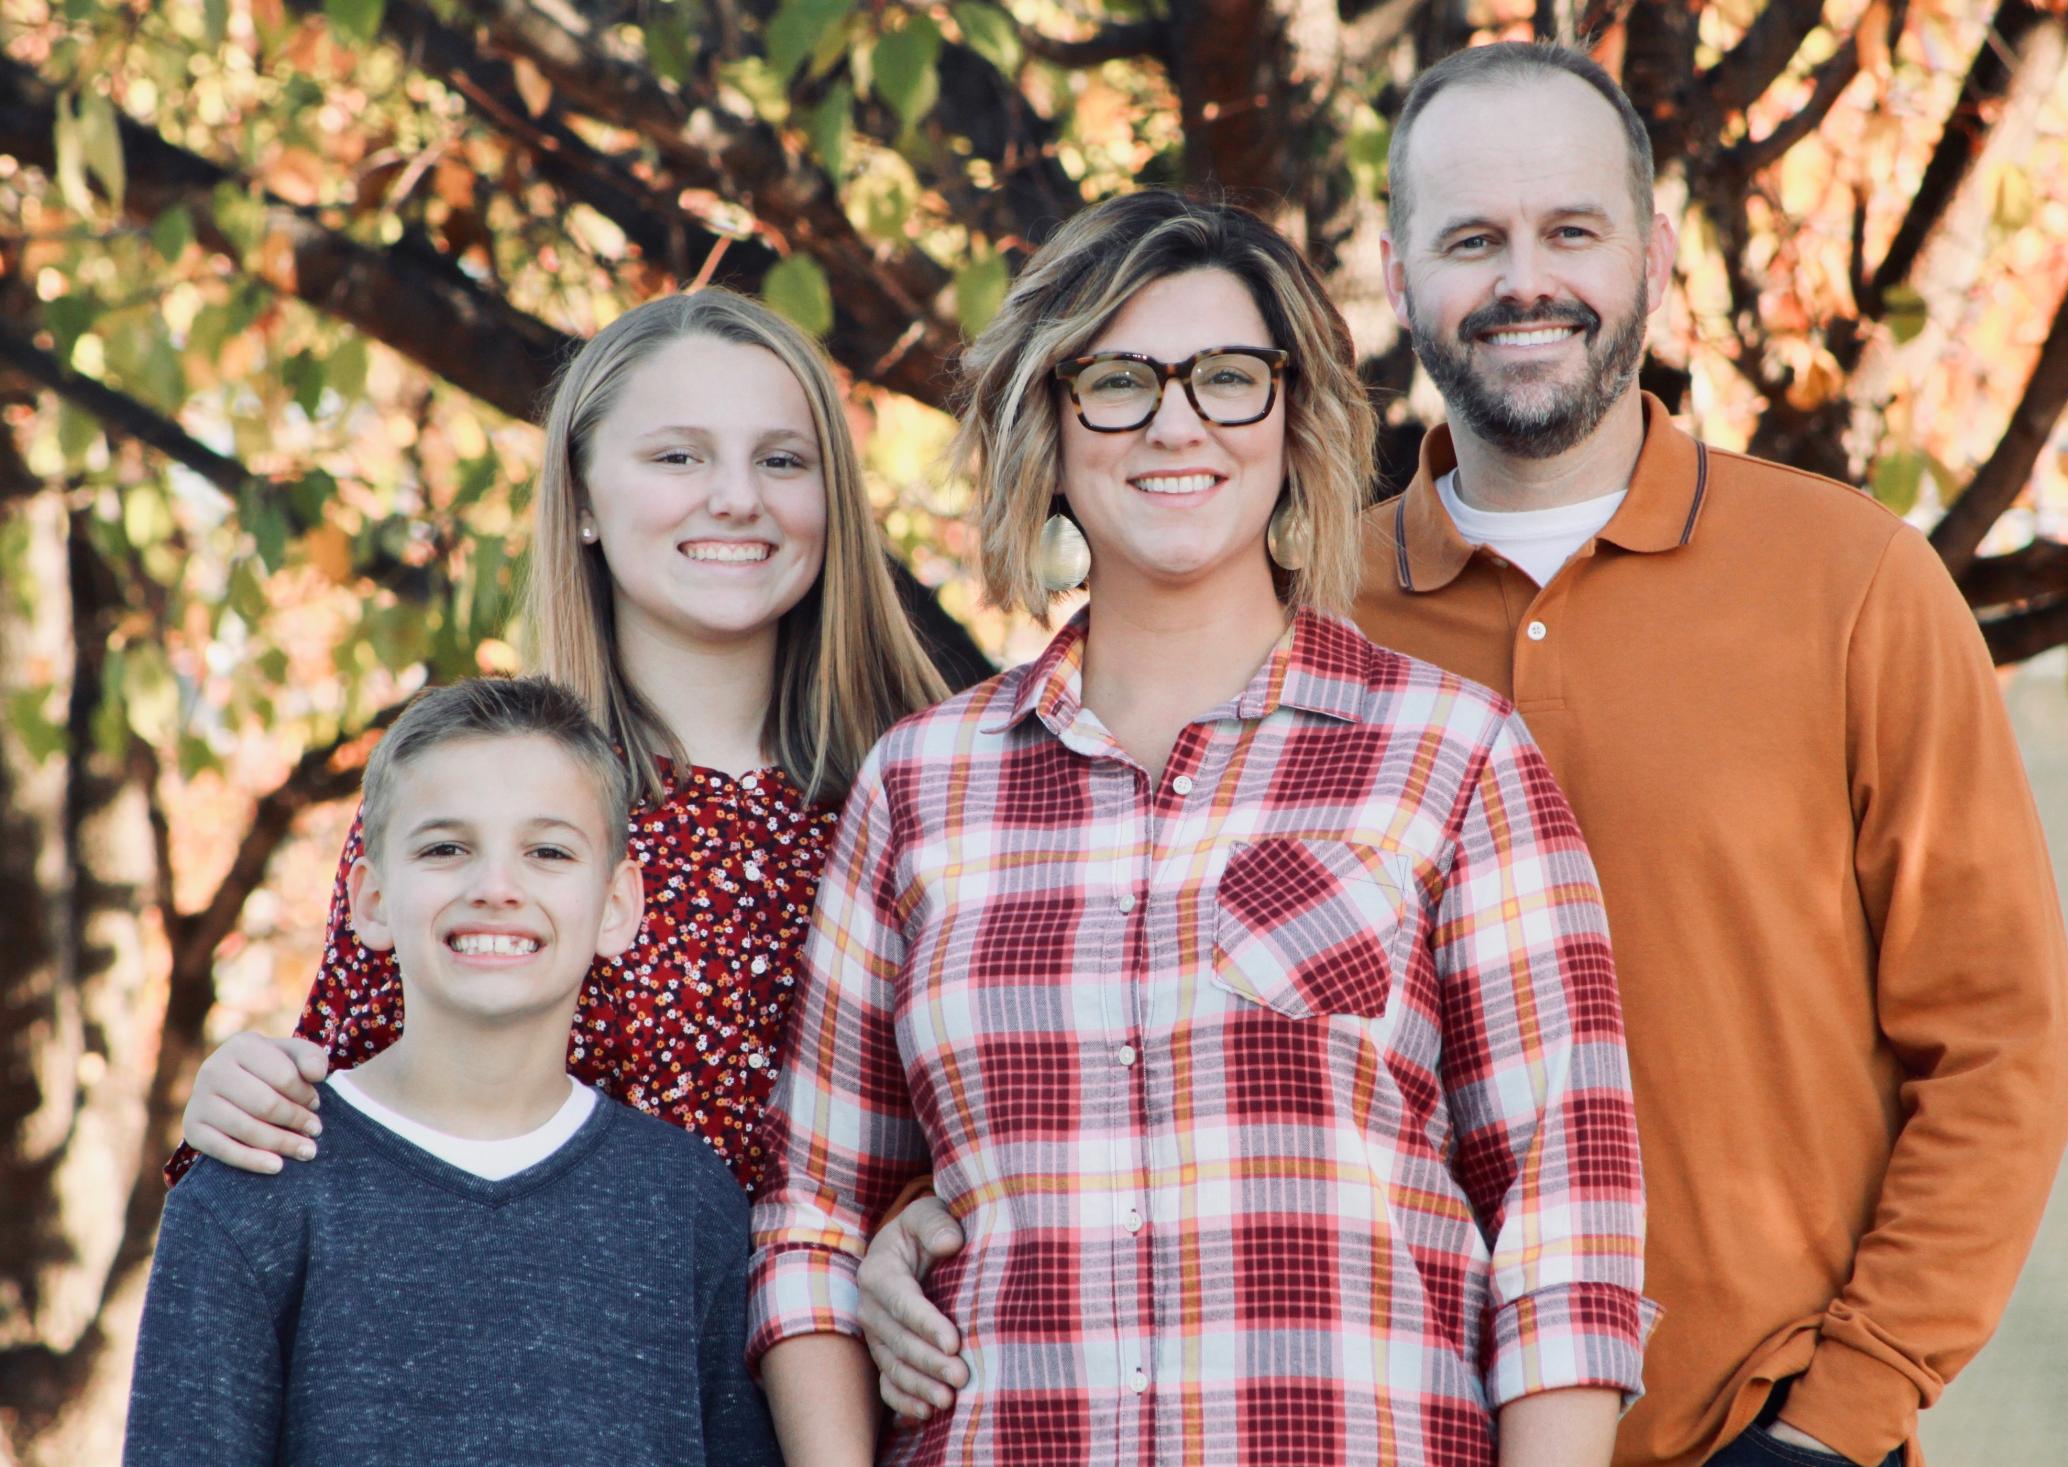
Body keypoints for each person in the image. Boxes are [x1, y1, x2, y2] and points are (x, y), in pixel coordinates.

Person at [862, 44, 2068, 1467]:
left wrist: (1843, 1411)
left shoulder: (1854, 581)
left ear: (1655, 253)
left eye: (1570, 230)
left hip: (1763, 1429)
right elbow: (1105, 1017)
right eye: (1471, 240)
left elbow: (1999, 1047)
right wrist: (916, 1225)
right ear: (1396, 270)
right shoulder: (1290, 608)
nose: (1524, 281)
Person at [747, 191, 1654, 1467]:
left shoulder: (1453, 758)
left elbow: (1564, 1233)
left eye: (1228, 377)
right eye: (1117, 380)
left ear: (1292, 419)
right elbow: (816, 1224)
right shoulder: (921, 788)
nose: (1177, 422)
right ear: (1048, 432)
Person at [166, 287, 948, 1197]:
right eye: (678, 455)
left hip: (870, 1336)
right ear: (581, 498)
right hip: (554, 1330)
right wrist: (239, 1103)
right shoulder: (480, 801)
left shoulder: (938, 795)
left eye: (781, 460)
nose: (737, 498)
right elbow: (337, 1134)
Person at [125, 677, 779, 1466]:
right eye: (445, 848)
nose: (496, 887)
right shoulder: (252, 1191)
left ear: (615, 905)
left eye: (547, 851)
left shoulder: (688, 1203)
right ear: (369, 900)